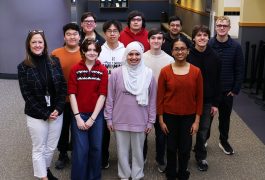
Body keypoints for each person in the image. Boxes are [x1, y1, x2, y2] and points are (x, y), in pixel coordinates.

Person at [17, 30, 67, 180]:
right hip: (37, 114)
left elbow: (63, 86)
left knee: (51, 147)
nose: (37, 45)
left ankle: (44, 170)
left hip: (57, 112)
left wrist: (58, 108)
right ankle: (44, 178)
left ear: (44, 44)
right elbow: (27, 95)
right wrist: (46, 113)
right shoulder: (23, 67)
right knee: (39, 147)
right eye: (34, 42)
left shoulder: (54, 61)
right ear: (28, 45)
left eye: (40, 42)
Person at [104, 41, 156, 180]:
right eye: (130, 54)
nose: (134, 57)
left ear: (141, 56)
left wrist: (151, 121)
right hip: (119, 119)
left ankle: (137, 175)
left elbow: (152, 100)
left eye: (137, 54)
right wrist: (108, 118)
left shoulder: (149, 74)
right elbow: (110, 97)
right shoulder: (115, 73)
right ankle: (124, 175)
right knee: (122, 151)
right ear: (126, 55)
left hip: (140, 120)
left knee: (138, 152)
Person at [157, 37, 203, 180]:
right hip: (169, 116)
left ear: (188, 51)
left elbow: (200, 98)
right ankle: (171, 173)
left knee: (185, 148)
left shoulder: (196, 72)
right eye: (176, 49)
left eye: (183, 48)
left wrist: (197, 121)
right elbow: (160, 97)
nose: (180, 51)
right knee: (170, 148)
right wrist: (161, 119)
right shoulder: (165, 71)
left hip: (189, 117)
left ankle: (183, 172)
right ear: (172, 52)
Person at [68, 39, 108, 180]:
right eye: (89, 50)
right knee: (81, 150)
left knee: (96, 148)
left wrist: (92, 119)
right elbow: (72, 93)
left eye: (94, 50)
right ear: (83, 51)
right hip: (79, 114)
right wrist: (78, 117)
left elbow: (103, 95)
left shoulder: (102, 70)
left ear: (98, 52)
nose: (92, 53)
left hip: (96, 115)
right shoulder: (75, 69)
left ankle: (94, 177)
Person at [208, 16, 244, 155]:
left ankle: (223, 141)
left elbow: (239, 69)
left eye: (225, 25)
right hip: (211, 92)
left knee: (225, 119)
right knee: (207, 119)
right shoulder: (209, 44)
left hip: (227, 91)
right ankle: (203, 140)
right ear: (215, 27)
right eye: (219, 25)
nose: (222, 28)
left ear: (229, 28)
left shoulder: (236, 47)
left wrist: (235, 89)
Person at [187, 25, 221, 171]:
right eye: (199, 35)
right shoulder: (187, 55)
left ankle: (200, 156)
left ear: (208, 37)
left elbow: (218, 81)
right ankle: (184, 156)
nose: (202, 38)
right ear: (193, 38)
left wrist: (215, 104)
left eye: (205, 35)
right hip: (189, 100)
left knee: (203, 131)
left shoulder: (215, 56)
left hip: (207, 100)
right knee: (186, 130)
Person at [143, 28, 174, 173]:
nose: (156, 41)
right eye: (153, 38)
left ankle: (160, 159)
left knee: (162, 135)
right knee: (142, 133)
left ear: (163, 41)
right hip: (143, 103)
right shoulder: (141, 57)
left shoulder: (169, 60)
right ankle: (141, 157)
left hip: (162, 104)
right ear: (148, 40)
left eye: (159, 38)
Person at [51, 22, 82, 169]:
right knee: (62, 129)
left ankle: (77, 152)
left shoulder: (85, 52)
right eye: (68, 34)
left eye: (75, 34)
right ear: (64, 36)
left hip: (80, 99)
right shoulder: (55, 53)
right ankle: (63, 154)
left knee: (77, 128)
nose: (72, 37)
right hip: (61, 100)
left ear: (79, 36)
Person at [98, 19, 125, 169]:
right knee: (104, 129)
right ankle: (104, 158)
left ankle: (123, 159)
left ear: (119, 33)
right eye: (109, 31)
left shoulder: (125, 50)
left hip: (121, 96)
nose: (112, 34)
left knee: (121, 128)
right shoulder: (99, 51)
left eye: (115, 31)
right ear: (105, 33)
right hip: (103, 95)